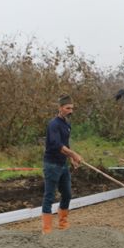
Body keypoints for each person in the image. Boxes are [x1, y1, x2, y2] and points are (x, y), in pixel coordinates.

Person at [41, 94, 82, 234]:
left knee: (67, 194)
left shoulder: (67, 124)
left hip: (63, 164)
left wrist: (71, 158)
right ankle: (47, 229)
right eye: (67, 108)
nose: (71, 111)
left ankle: (63, 223)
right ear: (60, 108)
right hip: (52, 164)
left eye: (72, 108)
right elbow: (57, 145)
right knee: (49, 196)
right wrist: (74, 154)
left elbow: (65, 144)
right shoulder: (53, 124)